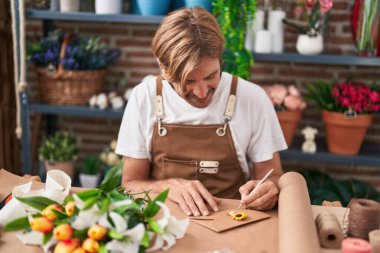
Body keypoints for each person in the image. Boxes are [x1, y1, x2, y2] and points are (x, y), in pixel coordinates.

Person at [115, 7, 287, 217]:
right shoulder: (144, 97)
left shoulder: (252, 98)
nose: (202, 92)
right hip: (162, 224)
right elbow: (129, 184)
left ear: (219, 60)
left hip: (232, 224)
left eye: (210, 77)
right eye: (188, 81)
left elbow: (273, 176)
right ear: (163, 67)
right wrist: (167, 187)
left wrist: (270, 189)